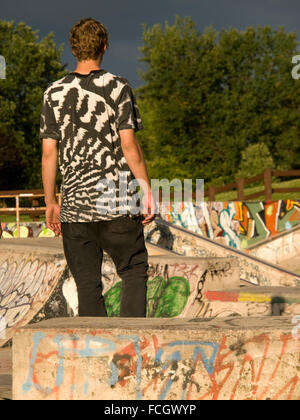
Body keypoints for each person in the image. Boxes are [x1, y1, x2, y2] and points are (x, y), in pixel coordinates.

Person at [40, 18, 155, 318]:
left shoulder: (53, 93)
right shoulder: (119, 87)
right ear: (105, 46)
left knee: (87, 284)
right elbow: (129, 145)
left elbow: (48, 152)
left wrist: (51, 200)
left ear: (74, 49)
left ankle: (98, 355)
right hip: (117, 202)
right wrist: (146, 191)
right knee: (133, 270)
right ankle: (131, 347)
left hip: (76, 207)